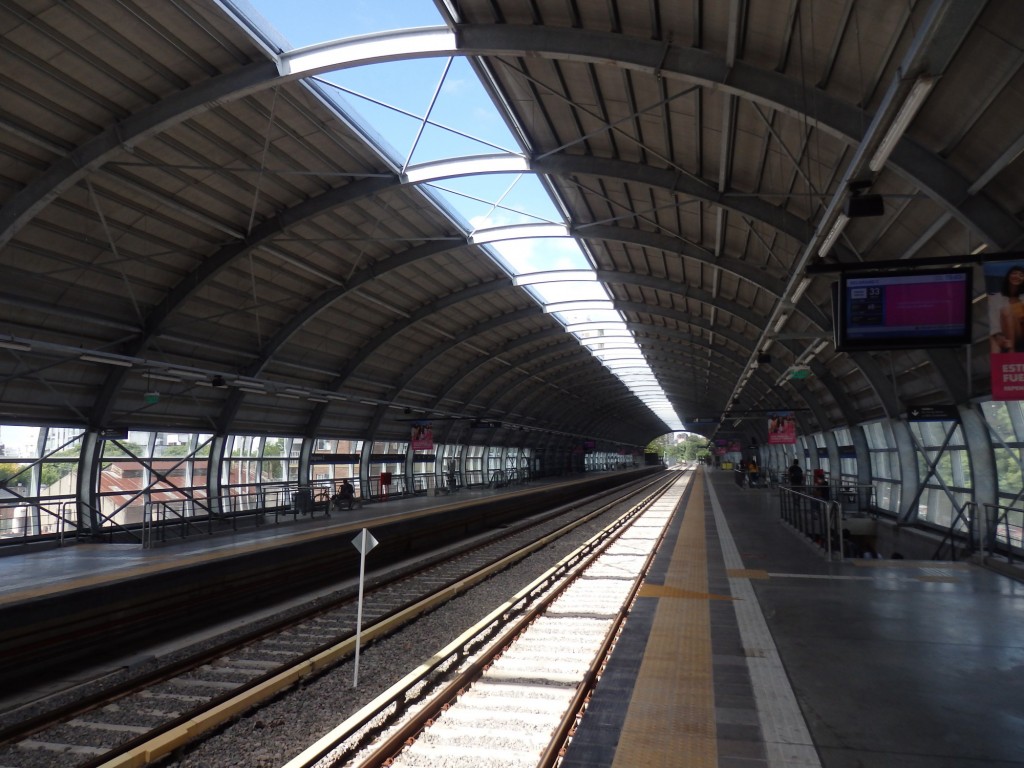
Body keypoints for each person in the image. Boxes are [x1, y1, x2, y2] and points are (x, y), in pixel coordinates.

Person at [995, 266, 1024, 352]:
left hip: (1020, 331)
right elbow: (994, 322)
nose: (1017, 276)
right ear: (1008, 276)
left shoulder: (1022, 298)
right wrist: (999, 336)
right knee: (1006, 310)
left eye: (1021, 275)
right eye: (1014, 273)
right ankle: (1011, 350)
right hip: (1006, 332)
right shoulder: (997, 298)